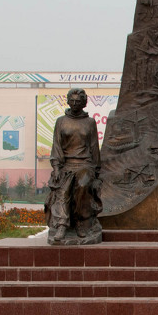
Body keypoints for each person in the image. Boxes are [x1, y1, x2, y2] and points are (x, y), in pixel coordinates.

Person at [46, 88, 102, 245]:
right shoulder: (61, 121)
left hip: (85, 164)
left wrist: (97, 171)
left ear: (84, 103)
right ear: (68, 101)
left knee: (82, 186)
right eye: (73, 101)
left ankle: (79, 222)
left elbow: (94, 147)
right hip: (66, 164)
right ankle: (62, 226)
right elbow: (56, 146)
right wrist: (56, 168)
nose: (76, 104)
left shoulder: (90, 122)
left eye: (79, 101)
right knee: (63, 192)